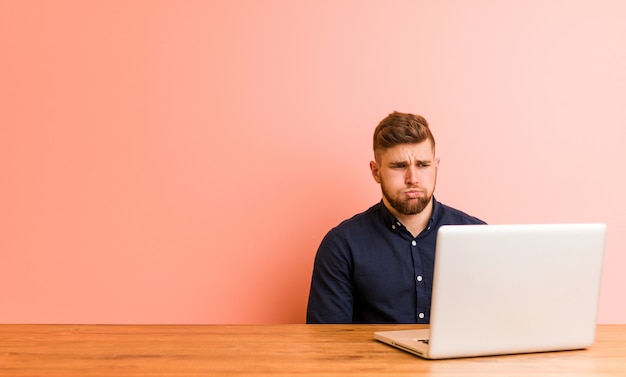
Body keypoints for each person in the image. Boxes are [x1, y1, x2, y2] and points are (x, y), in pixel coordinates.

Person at [306, 111, 486, 324]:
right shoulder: (342, 245)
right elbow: (327, 343)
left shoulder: (479, 237)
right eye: (399, 166)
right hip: (373, 358)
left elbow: (498, 324)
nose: (413, 179)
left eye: (423, 165)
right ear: (376, 171)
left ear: (436, 167)